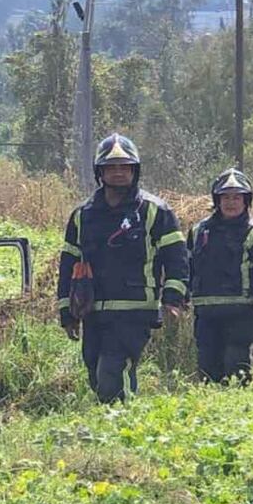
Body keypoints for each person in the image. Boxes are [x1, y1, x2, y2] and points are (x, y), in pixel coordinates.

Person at [57, 133, 189, 404]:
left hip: (135, 311)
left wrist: (173, 299)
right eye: (111, 167)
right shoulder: (83, 215)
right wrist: (67, 313)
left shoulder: (155, 211)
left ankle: (125, 431)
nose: (118, 172)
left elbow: (177, 258)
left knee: (113, 374)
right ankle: (111, 432)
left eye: (124, 167)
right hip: (94, 311)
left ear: (134, 171)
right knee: (95, 372)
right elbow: (68, 264)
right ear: (100, 172)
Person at [187, 168, 253, 385]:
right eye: (226, 197)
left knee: (236, 366)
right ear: (216, 200)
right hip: (207, 313)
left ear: (246, 200)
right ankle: (212, 412)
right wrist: (181, 295)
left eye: (237, 197)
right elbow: (187, 266)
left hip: (243, 312)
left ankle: (238, 410)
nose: (231, 202)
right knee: (207, 369)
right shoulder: (199, 231)